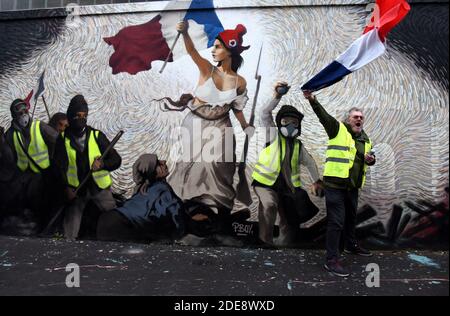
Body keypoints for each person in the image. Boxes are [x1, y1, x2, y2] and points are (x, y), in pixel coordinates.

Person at [163, 21, 252, 219]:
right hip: (196, 123)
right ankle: (188, 205)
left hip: (221, 125)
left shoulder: (240, 81)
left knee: (217, 165)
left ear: (230, 51)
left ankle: (213, 207)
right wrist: (184, 33)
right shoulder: (207, 69)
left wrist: (246, 126)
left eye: (218, 46)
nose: (213, 50)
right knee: (193, 164)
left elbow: (237, 108)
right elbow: (193, 51)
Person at [303, 91, 376, 277]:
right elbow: (323, 115)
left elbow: (369, 158)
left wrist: (370, 160)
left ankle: (351, 245)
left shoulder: (366, 139)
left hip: (352, 188)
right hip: (335, 186)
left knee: (351, 218)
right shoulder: (337, 129)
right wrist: (312, 100)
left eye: (361, 117)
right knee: (336, 222)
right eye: (355, 117)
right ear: (348, 120)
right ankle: (332, 259)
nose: (359, 119)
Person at [252, 82, 323, 247]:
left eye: (294, 122)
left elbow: (310, 163)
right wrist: (277, 96)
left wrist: (316, 180)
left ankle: (284, 244)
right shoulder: (272, 135)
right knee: (269, 205)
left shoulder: (298, 146)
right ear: (279, 123)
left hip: (288, 188)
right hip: (265, 183)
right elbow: (264, 112)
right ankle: (265, 242)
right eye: (286, 121)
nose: (290, 125)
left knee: (289, 217)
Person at [53, 95, 122, 240]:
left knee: (115, 221)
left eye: (84, 115)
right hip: (77, 191)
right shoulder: (62, 139)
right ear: (71, 116)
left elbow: (116, 160)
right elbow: (58, 167)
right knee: (69, 233)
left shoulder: (97, 136)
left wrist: (103, 164)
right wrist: (66, 188)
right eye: (77, 116)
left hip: (99, 189)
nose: (81, 119)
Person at [1, 99, 59, 233]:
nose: (23, 115)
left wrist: (53, 157)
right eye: (19, 113)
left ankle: (46, 227)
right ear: (14, 116)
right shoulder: (10, 134)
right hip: (23, 174)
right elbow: (8, 158)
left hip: (43, 172)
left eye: (24, 111)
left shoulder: (40, 127)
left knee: (43, 199)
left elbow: (58, 141)